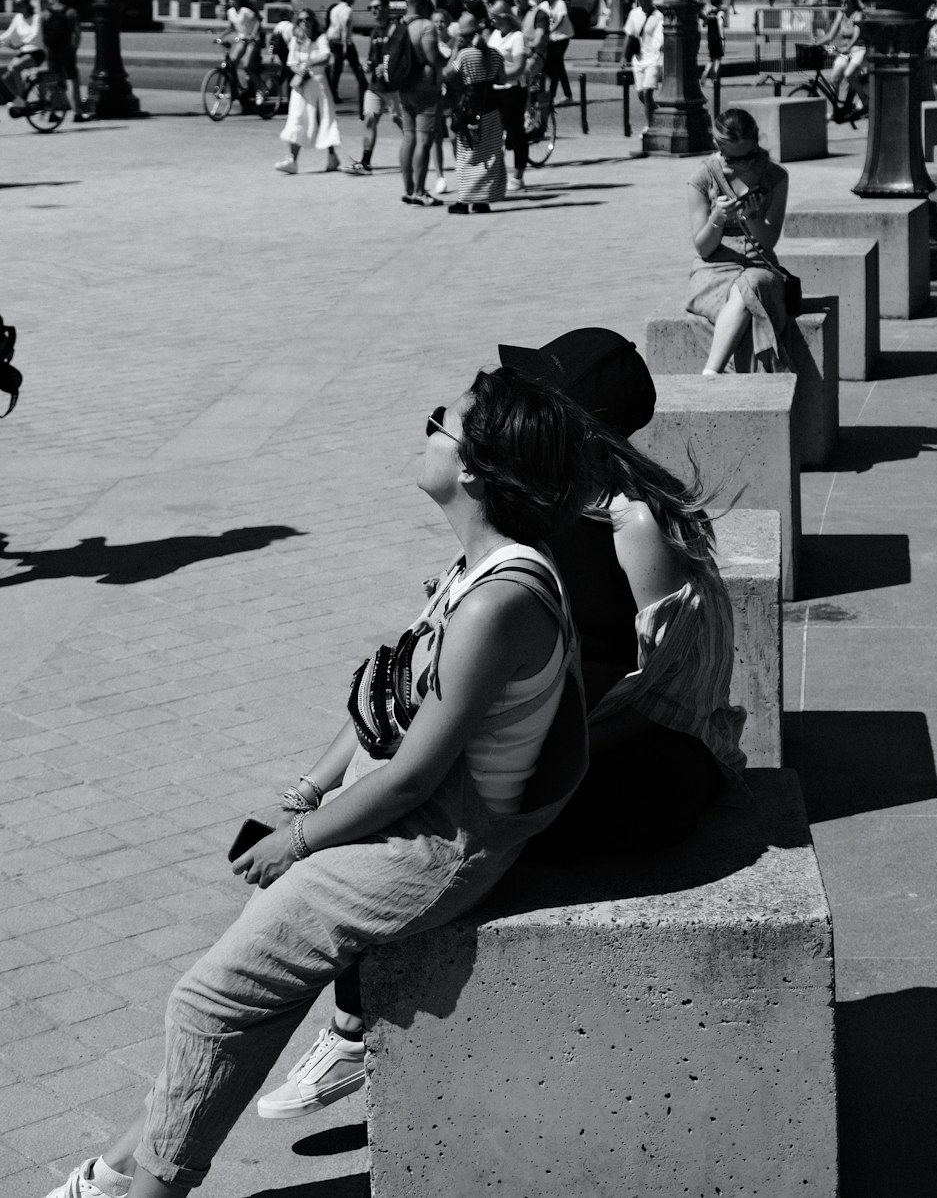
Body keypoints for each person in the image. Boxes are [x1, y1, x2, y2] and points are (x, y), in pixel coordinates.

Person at [44, 368, 597, 1186]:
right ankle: (122, 1169)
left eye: (437, 423)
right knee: (241, 1000)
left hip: (429, 848)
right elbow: (392, 687)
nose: (425, 432)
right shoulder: (478, 571)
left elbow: (413, 777)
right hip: (400, 823)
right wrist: (307, 790)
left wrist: (297, 842)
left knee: (205, 1001)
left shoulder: (498, 601)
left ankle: (148, 1185)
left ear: (475, 469)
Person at [498, 327, 747, 861]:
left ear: (581, 427)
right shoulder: (536, 498)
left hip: (632, 737)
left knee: (621, 804)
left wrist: (557, 750)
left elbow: (675, 689)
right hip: (553, 725)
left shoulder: (634, 523)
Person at [686, 108, 790, 374]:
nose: (743, 164)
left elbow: (768, 243)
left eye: (749, 156)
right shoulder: (703, 178)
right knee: (745, 297)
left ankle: (710, 373)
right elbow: (703, 248)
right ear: (718, 146)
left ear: (757, 143)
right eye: (733, 159)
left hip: (759, 264)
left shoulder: (775, 176)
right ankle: (716, 375)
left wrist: (752, 216)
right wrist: (717, 219)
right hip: (714, 268)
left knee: (750, 284)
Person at [443, 4, 506, 214]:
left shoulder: (465, 55)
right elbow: (502, 78)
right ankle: (483, 200)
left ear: (465, 35)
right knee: (489, 155)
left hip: (469, 109)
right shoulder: (495, 55)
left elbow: (447, 75)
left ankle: (464, 201)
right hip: (492, 109)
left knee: (466, 155)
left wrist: (454, 51)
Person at [274, 11, 342, 175]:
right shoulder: (296, 40)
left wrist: (308, 64)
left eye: (307, 19)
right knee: (296, 119)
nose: (304, 22)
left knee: (323, 119)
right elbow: (291, 62)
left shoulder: (321, 38)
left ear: (313, 22)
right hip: (301, 86)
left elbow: (326, 57)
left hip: (319, 85)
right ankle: (292, 160)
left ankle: (332, 156)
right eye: (301, 20)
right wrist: (301, 71)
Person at [398, 0, 445, 206]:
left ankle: (408, 189)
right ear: (424, 3)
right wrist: (448, 57)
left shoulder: (397, 26)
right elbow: (433, 58)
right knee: (424, 141)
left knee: (408, 138)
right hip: (425, 89)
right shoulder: (425, 26)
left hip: (403, 88)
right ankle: (419, 191)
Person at [349, 0, 396, 175]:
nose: (374, 11)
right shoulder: (375, 32)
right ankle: (365, 163)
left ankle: (416, 152)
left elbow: (401, 56)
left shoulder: (396, 30)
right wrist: (368, 64)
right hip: (376, 87)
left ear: (386, 8)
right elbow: (372, 57)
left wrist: (387, 66)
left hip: (394, 87)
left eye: (377, 7)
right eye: (371, 8)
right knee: (369, 119)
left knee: (401, 122)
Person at [488, 0, 529, 195]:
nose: (492, 22)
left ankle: (518, 175)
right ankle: (497, 173)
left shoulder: (518, 37)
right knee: (495, 133)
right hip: (495, 89)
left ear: (505, 17)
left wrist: (501, 75)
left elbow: (519, 66)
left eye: (495, 18)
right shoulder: (495, 35)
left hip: (513, 89)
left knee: (515, 132)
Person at [622, 0, 663, 134]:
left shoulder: (658, 16)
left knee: (647, 93)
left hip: (654, 59)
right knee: (641, 95)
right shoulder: (634, 13)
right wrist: (623, 56)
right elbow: (629, 35)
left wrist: (659, 50)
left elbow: (660, 39)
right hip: (638, 59)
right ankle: (660, 115)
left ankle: (650, 127)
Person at [41, 0, 86, 121]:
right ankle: (76, 112)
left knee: (52, 81)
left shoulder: (45, 14)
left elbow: (43, 35)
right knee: (72, 80)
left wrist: (47, 49)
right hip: (67, 50)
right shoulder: (71, 12)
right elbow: (77, 33)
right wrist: (74, 48)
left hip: (52, 52)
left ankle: (50, 112)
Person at [822, 0, 867, 108]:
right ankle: (835, 110)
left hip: (859, 49)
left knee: (849, 74)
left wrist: (848, 47)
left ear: (853, 4)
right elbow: (830, 35)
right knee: (834, 78)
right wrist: (815, 43)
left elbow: (856, 35)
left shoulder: (858, 15)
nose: (843, 4)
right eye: (841, 2)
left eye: (846, 2)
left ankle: (865, 101)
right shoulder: (840, 15)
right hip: (845, 51)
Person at [1, 0, 45, 112]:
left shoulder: (36, 17)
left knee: (15, 67)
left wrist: (20, 44)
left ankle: (22, 101)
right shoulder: (18, 18)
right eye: (15, 5)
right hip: (24, 51)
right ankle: (20, 100)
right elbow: (9, 34)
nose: (17, 8)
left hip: (36, 51)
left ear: (26, 5)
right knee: (6, 77)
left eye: (19, 5)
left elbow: (34, 34)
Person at [429, 7, 453, 197]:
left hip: (453, 93)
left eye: (442, 21)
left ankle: (462, 170)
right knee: (436, 135)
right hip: (435, 93)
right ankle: (440, 177)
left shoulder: (454, 42)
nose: (438, 25)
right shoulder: (429, 43)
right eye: (435, 21)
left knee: (455, 135)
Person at [539, 0, 573, 104]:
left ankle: (551, 97)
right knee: (559, 67)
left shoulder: (560, 4)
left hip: (563, 37)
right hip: (551, 39)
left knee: (557, 64)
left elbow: (560, 20)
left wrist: (548, 31)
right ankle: (567, 95)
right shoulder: (542, 6)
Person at [226, 0, 263, 100]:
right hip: (242, 39)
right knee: (232, 63)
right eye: (230, 0)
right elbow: (231, 27)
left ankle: (261, 88)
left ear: (238, 1)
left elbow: (257, 21)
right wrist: (220, 37)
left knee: (246, 65)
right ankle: (235, 91)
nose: (231, 2)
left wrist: (254, 34)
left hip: (252, 40)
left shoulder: (245, 11)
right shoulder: (230, 12)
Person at [324, 0, 355, 103]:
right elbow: (344, 28)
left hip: (331, 38)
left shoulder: (334, 8)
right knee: (355, 67)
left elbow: (330, 24)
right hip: (342, 41)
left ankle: (332, 93)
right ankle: (365, 89)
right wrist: (345, 46)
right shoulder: (347, 10)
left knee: (336, 68)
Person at [700, 0, 725, 86]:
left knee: (711, 58)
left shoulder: (709, 13)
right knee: (718, 59)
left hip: (710, 38)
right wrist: (722, 38)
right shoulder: (720, 12)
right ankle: (715, 79)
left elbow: (704, 24)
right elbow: (720, 24)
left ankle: (705, 73)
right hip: (717, 37)